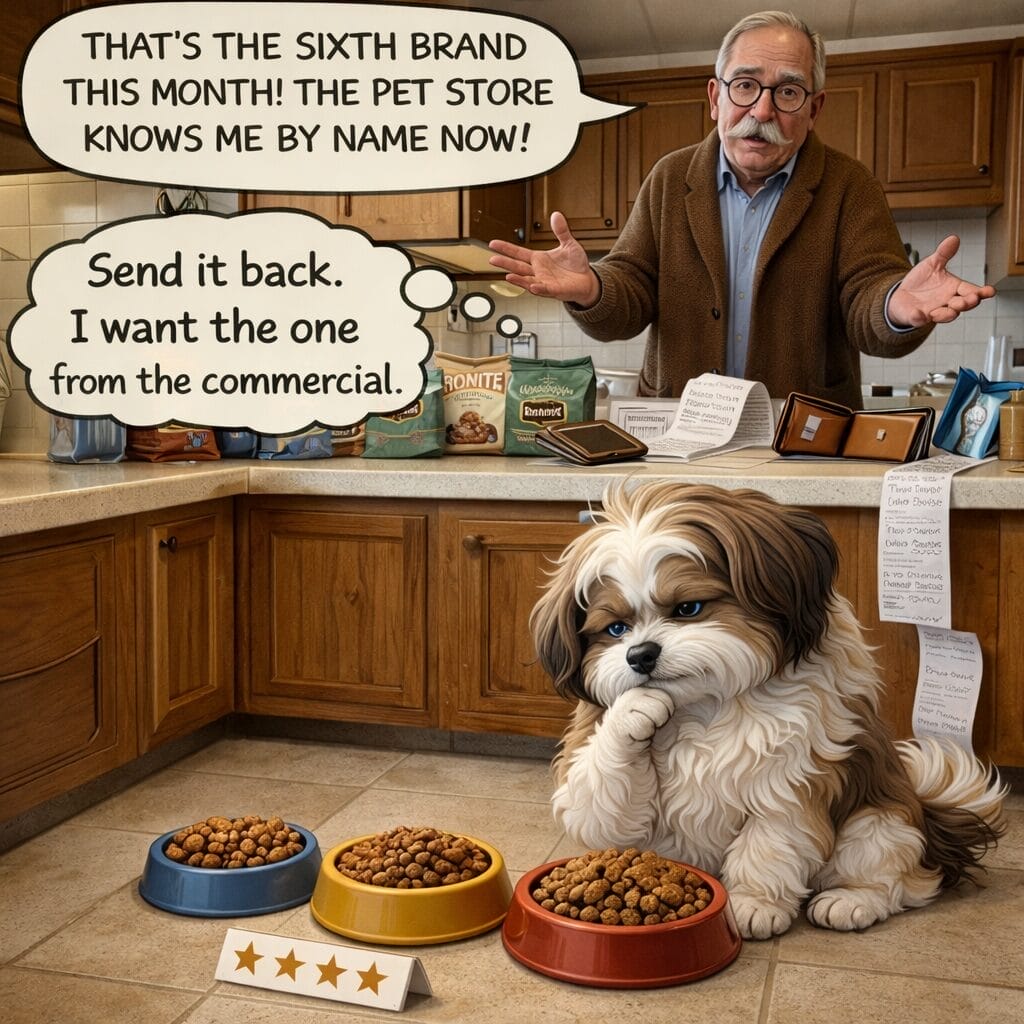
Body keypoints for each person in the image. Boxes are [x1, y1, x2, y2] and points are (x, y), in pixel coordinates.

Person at [488, 10, 996, 408]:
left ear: (814, 109)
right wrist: (594, 288)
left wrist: (895, 308)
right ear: (715, 97)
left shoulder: (849, 185)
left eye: (789, 92)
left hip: (799, 435)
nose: (762, 110)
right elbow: (631, 291)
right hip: (678, 429)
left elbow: (868, 302)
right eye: (746, 85)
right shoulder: (670, 176)